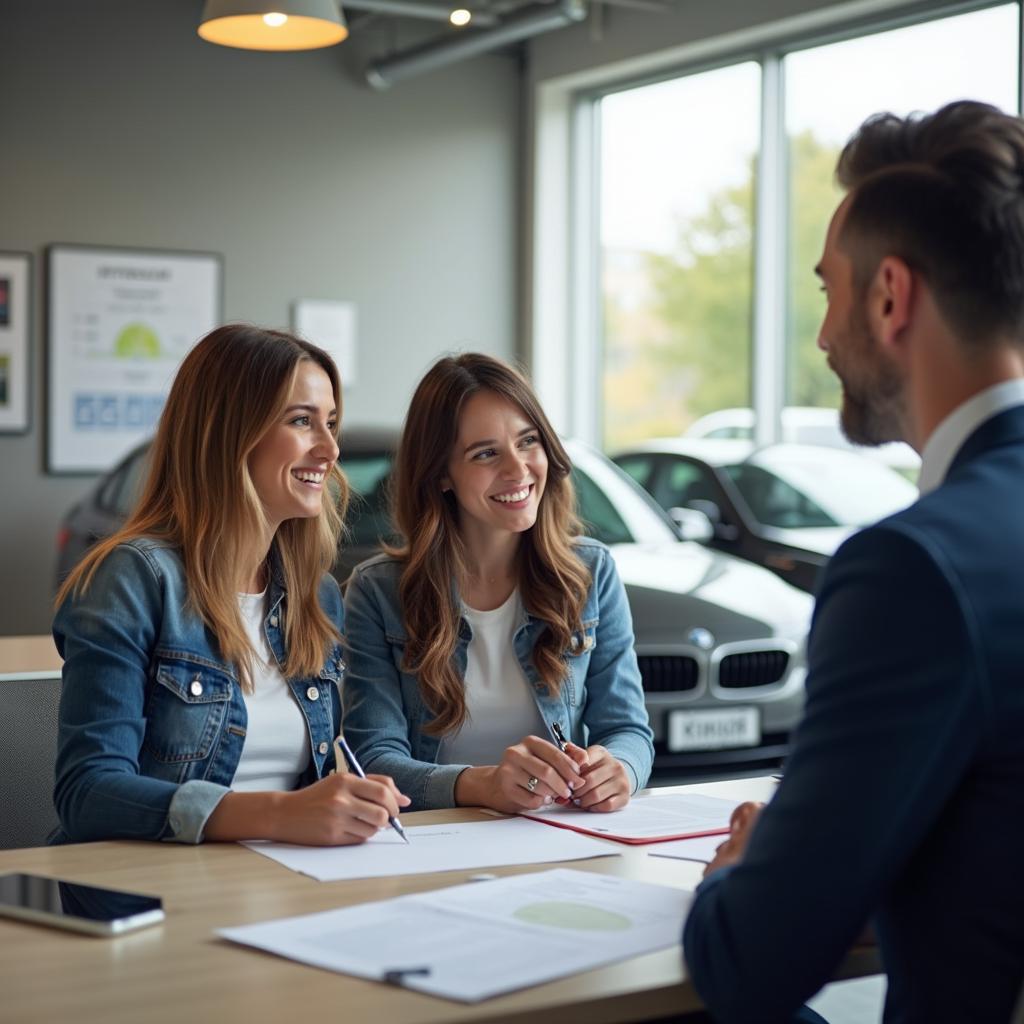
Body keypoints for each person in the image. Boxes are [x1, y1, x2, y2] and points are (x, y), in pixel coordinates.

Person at [682, 101, 1024, 1022]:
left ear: (890, 297)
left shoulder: (913, 570)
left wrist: (751, 870)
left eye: (830, 291)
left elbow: (751, 962)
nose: (824, 336)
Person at [52, 324, 408, 846]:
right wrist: (278, 815)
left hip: (284, 880)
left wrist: (349, 800)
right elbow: (88, 793)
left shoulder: (314, 595)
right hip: (153, 891)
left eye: (330, 423)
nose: (330, 449)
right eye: (302, 421)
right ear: (229, 433)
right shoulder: (134, 578)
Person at [342, 353, 654, 813]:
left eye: (528, 441)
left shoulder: (591, 573)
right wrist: (482, 785)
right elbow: (372, 761)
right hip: (432, 844)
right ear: (441, 474)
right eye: (486, 453)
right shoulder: (377, 592)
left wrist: (620, 770)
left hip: (559, 836)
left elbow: (628, 730)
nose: (518, 469)